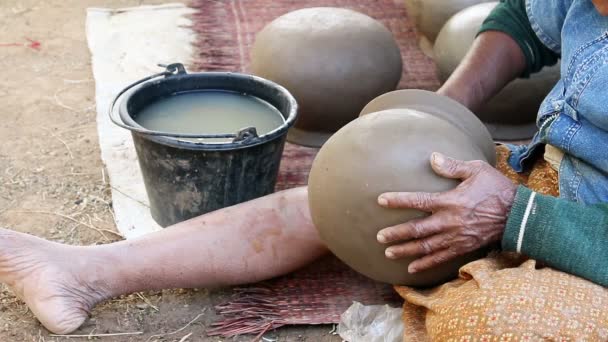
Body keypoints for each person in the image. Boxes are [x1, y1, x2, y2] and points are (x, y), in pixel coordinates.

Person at [1, 0, 607, 338]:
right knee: (344, 192)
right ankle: (83, 271)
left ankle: (476, 279)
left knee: (510, 323)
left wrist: (516, 217)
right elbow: (527, 19)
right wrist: (443, 112)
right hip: (552, 174)